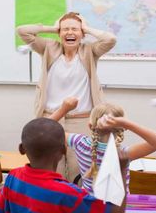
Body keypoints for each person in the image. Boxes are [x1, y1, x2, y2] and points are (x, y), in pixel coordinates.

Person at [0, 118, 128, 213]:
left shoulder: (13, 177)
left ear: (21, 149)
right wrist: (120, 169)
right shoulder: (68, 194)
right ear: (64, 150)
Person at [51, 99, 156, 213]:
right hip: (121, 210)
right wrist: (127, 123)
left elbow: (42, 129)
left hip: (89, 209)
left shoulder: (80, 143)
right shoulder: (124, 154)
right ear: (122, 129)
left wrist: (64, 108)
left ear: (90, 126)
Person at [17, 12, 116, 182]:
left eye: (75, 29)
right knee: (53, 170)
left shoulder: (89, 51)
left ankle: (76, 205)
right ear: (59, 33)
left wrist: (87, 28)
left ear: (82, 33)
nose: (70, 32)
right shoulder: (49, 47)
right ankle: (54, 205)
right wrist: (52, 28)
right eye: (65, 29)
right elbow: (22, 31)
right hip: (51, 118)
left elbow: (110, 39)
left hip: (82, 120)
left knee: (81, 170)